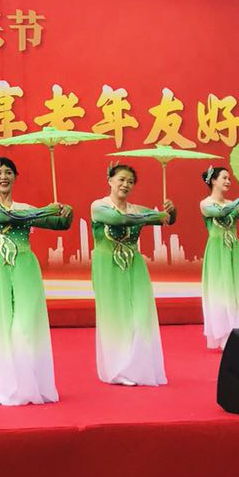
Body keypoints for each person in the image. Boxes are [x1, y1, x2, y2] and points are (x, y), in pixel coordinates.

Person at [0, 156, 71, 405]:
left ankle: (31, 384)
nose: (3, 177)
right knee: (2, 325)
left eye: (8, 172)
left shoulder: (25, 207)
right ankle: (9, 386)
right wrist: (44, 210)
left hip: (25, 265)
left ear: (15, 177)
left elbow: (59, 225)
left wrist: (66, 213)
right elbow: (6, 216)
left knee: (25, 324)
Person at [89, 163, 172, 386]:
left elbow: (166, 220)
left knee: (141, 313)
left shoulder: (137, 209)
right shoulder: (99, 206)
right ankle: (117, 369)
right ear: (110, 181)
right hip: (107, 266)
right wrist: (153, 215)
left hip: (134, 265)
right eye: (121, 179)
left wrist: (170, 212)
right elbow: (120, 220)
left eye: (130, 182)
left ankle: (137, 366)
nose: (125, 184)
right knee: (116, 316)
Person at [198, 166, 239, 350]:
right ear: (213, 180)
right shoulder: (206, 204)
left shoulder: (232, 204)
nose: (228, 181)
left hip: (233, 250)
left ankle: (238, 333)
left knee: (236, 289)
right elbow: (220, 212)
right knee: (221, 289)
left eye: (229, 178)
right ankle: (223, 334)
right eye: (224, 178)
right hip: (217, 251)